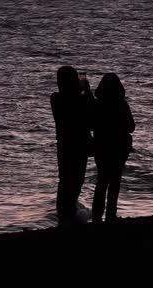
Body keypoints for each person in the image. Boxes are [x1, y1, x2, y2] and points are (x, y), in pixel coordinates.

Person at [51, 65, 94, 224]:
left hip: (64, 146)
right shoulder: (80, 99)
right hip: (79, 145)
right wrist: (87, 91)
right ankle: (69, 216)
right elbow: (91, 116)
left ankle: (64, 216)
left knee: (65, 181)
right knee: (75, 181)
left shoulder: (55, 98)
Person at [91, 73, 135, 223]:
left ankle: (96, 216)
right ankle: (110, 215)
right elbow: (131, 127)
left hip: (101, 146)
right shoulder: (122, 104)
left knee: (102, 181)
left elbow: (90, 125)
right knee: (115, 181)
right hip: (119, 146)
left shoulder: (97, 104)